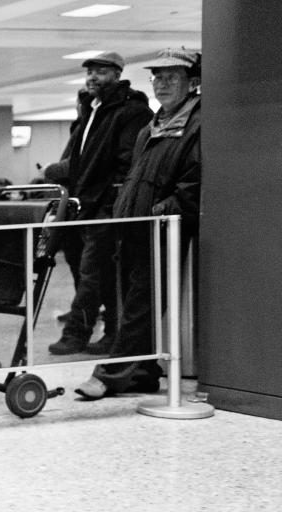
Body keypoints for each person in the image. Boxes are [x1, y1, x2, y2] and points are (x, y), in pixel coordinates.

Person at [76, 48, 202, 400]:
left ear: (192, 84)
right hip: (132, 225)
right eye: (157, 78)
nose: (161, 84)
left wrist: (166, 209)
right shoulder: (154, 125)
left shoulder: (196, 124)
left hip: (162, 228)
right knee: (130, 299)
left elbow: (194, 181)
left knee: (139, 305)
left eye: (171, 78)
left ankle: (110, 374)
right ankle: (144, 373)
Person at [47, 52, 153, 357]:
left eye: (101, 72)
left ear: (117, 75)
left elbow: (125, 162)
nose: (93, 77)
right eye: (90, 72)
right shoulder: (92, 109)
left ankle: (76, 334)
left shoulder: (130, 111)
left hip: (106, 206)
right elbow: (82, 158)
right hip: (84, 204)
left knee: (93, 273)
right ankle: (111, 332)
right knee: (94, 273)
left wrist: (110, 201)